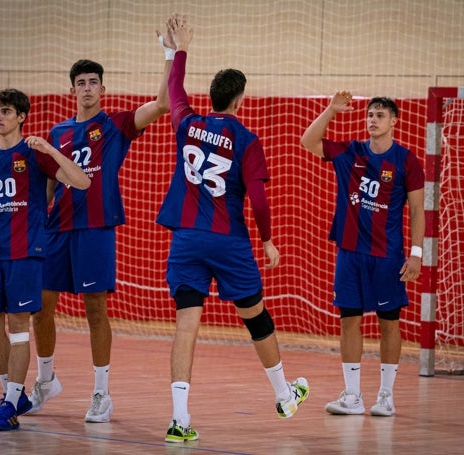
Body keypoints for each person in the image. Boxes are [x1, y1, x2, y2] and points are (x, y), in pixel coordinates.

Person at [156, 14, 309, 443]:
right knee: (255, 315)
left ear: (212, 97)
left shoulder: (188, 123)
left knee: (187, 323)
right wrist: (268, 240)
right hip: (228, 240)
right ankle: (283, 394)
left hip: (185, 238)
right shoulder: (247, 139)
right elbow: (258, 199)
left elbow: (174, 91)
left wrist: (178, 49)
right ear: (239, 100)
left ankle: (180, 420)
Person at [27, 22, 175, 423]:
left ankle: (101, 394)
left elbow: (162, 104)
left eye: (94, 82)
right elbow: (46, 191)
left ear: (102, 90)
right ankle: (45, 381)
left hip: (95, 228)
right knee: (40, 309)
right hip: (56, 230)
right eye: (81, 82)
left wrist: (170, 54)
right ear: (71, 90)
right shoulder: (56, 133)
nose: (88, 87)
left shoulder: (115, 125)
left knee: (96, 311)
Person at [0, 88, 91, 431]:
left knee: (17, 329)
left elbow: (82, 181)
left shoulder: (34, 155)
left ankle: (9, 405)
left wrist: (51, 150)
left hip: (26, 253)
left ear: (21, 117)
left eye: (6, 111)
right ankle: (13, 396)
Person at [300, 91, 425, 417]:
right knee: (348, 321)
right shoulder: (350, 151)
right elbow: (308, 141)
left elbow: (416, 211)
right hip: (350, 253)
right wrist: (330, 110)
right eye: (370, 114)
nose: (373, 119)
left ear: (394, 121)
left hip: (387, 256)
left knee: (389, 323)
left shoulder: (406, 161)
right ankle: (352, 396)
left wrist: (416, 253)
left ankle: (386, 395)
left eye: (380, 115)